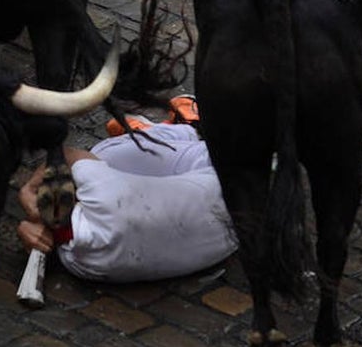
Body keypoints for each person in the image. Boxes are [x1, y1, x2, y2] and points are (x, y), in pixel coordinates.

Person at [17, 97, 237, 283]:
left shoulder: (81, 263)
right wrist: (31, 199)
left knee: (102, 156)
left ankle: (170, 131)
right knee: (104, 155)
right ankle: (181, 128)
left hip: (231, 217)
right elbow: (61, 162)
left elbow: (63, 159)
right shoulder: (101, 202)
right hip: (235, 189)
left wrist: (30, 203)